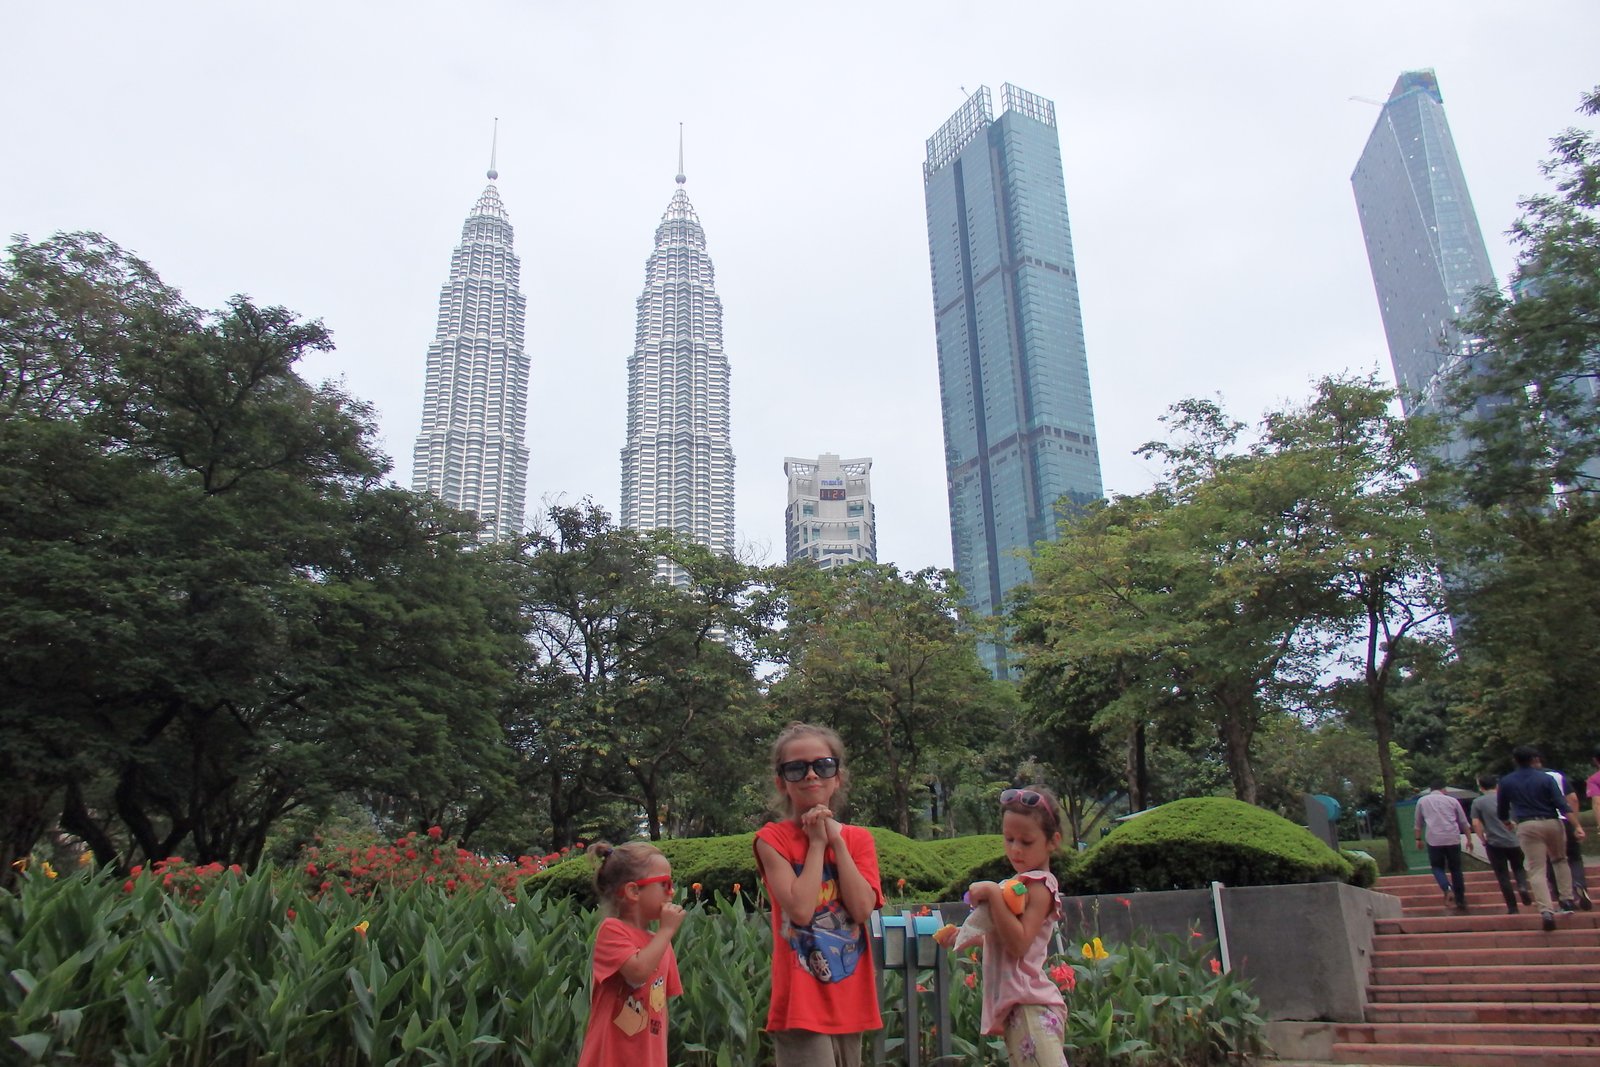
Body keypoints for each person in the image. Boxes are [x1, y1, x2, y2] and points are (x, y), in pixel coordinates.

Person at [754, 722, 883, 1067]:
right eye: (797, 768)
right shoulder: (772, 839)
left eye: (823, 766)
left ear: (837, 776)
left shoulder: (858, 840)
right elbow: (800, 910)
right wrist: (816, 844)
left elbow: (862, 909)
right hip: (801, 1005)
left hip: (850, 1000)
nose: (811, 775)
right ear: (781, 781)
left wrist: (836, 842)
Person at [967, 786, 1069, 1067]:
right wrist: (966, 937)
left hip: (1030, 1005)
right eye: (1009, 839)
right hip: (1020, 1007)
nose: (1015, 849)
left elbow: (1020, 944)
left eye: (1026, 841)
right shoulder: (1018, 885)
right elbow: (1005, 940)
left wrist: (992, 894)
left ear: (1052, 841)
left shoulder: (1040, 886)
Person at [577, 841, 685, 1067]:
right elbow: (637, 972)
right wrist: (666, 931)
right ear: (633, 891)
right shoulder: (612, 930)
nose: (672, 892)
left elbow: (660, 1008)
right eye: (665, 884)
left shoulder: (660, 943)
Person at [1497, 745, 1576, 932]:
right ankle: (1566, 899)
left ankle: (1546, 910)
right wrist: (1577, 825)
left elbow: (1502, 809)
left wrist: (1507, 822)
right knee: (1560, 859)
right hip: (1551, 821)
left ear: (1515, 760)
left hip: (1527, 824)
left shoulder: (1506, 781)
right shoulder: (1546, 778)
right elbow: (1561, 803)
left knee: (1536, 869)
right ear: (1534, 759)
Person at [1470, 775, 1533, 914]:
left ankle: (1512, 907)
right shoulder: (1508, 799)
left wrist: (1482, 839)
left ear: (1481, 787)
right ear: (1497, 785)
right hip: (1514, 840)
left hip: (1494, 843)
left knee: (1502, 875)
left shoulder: (1478, 802)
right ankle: (1522, 886)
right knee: (1519, 867)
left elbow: (1475, 823)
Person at [1536, 755, 1591, 909]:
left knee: (1552, 860)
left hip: (1541, 822)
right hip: (1564, 820)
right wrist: (1575, 823)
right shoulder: (1556, 776)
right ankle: (1579, 883)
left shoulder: (1520, 779)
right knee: (1574, 857)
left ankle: (1563, 896)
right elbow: (1573, 798)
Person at [1415, 781, 1470, 910]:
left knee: (1437, 867)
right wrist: (1469, 839)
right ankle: (1460, 899)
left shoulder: (1422, 801)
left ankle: (1447, 888)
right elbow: (1463, 822)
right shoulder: (1452, 801)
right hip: (1452, 837)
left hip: (1434, 839)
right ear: (1443, 789)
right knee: (1456, 869)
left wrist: (1418, 839)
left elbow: (1418, 823)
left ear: (1430, 789)